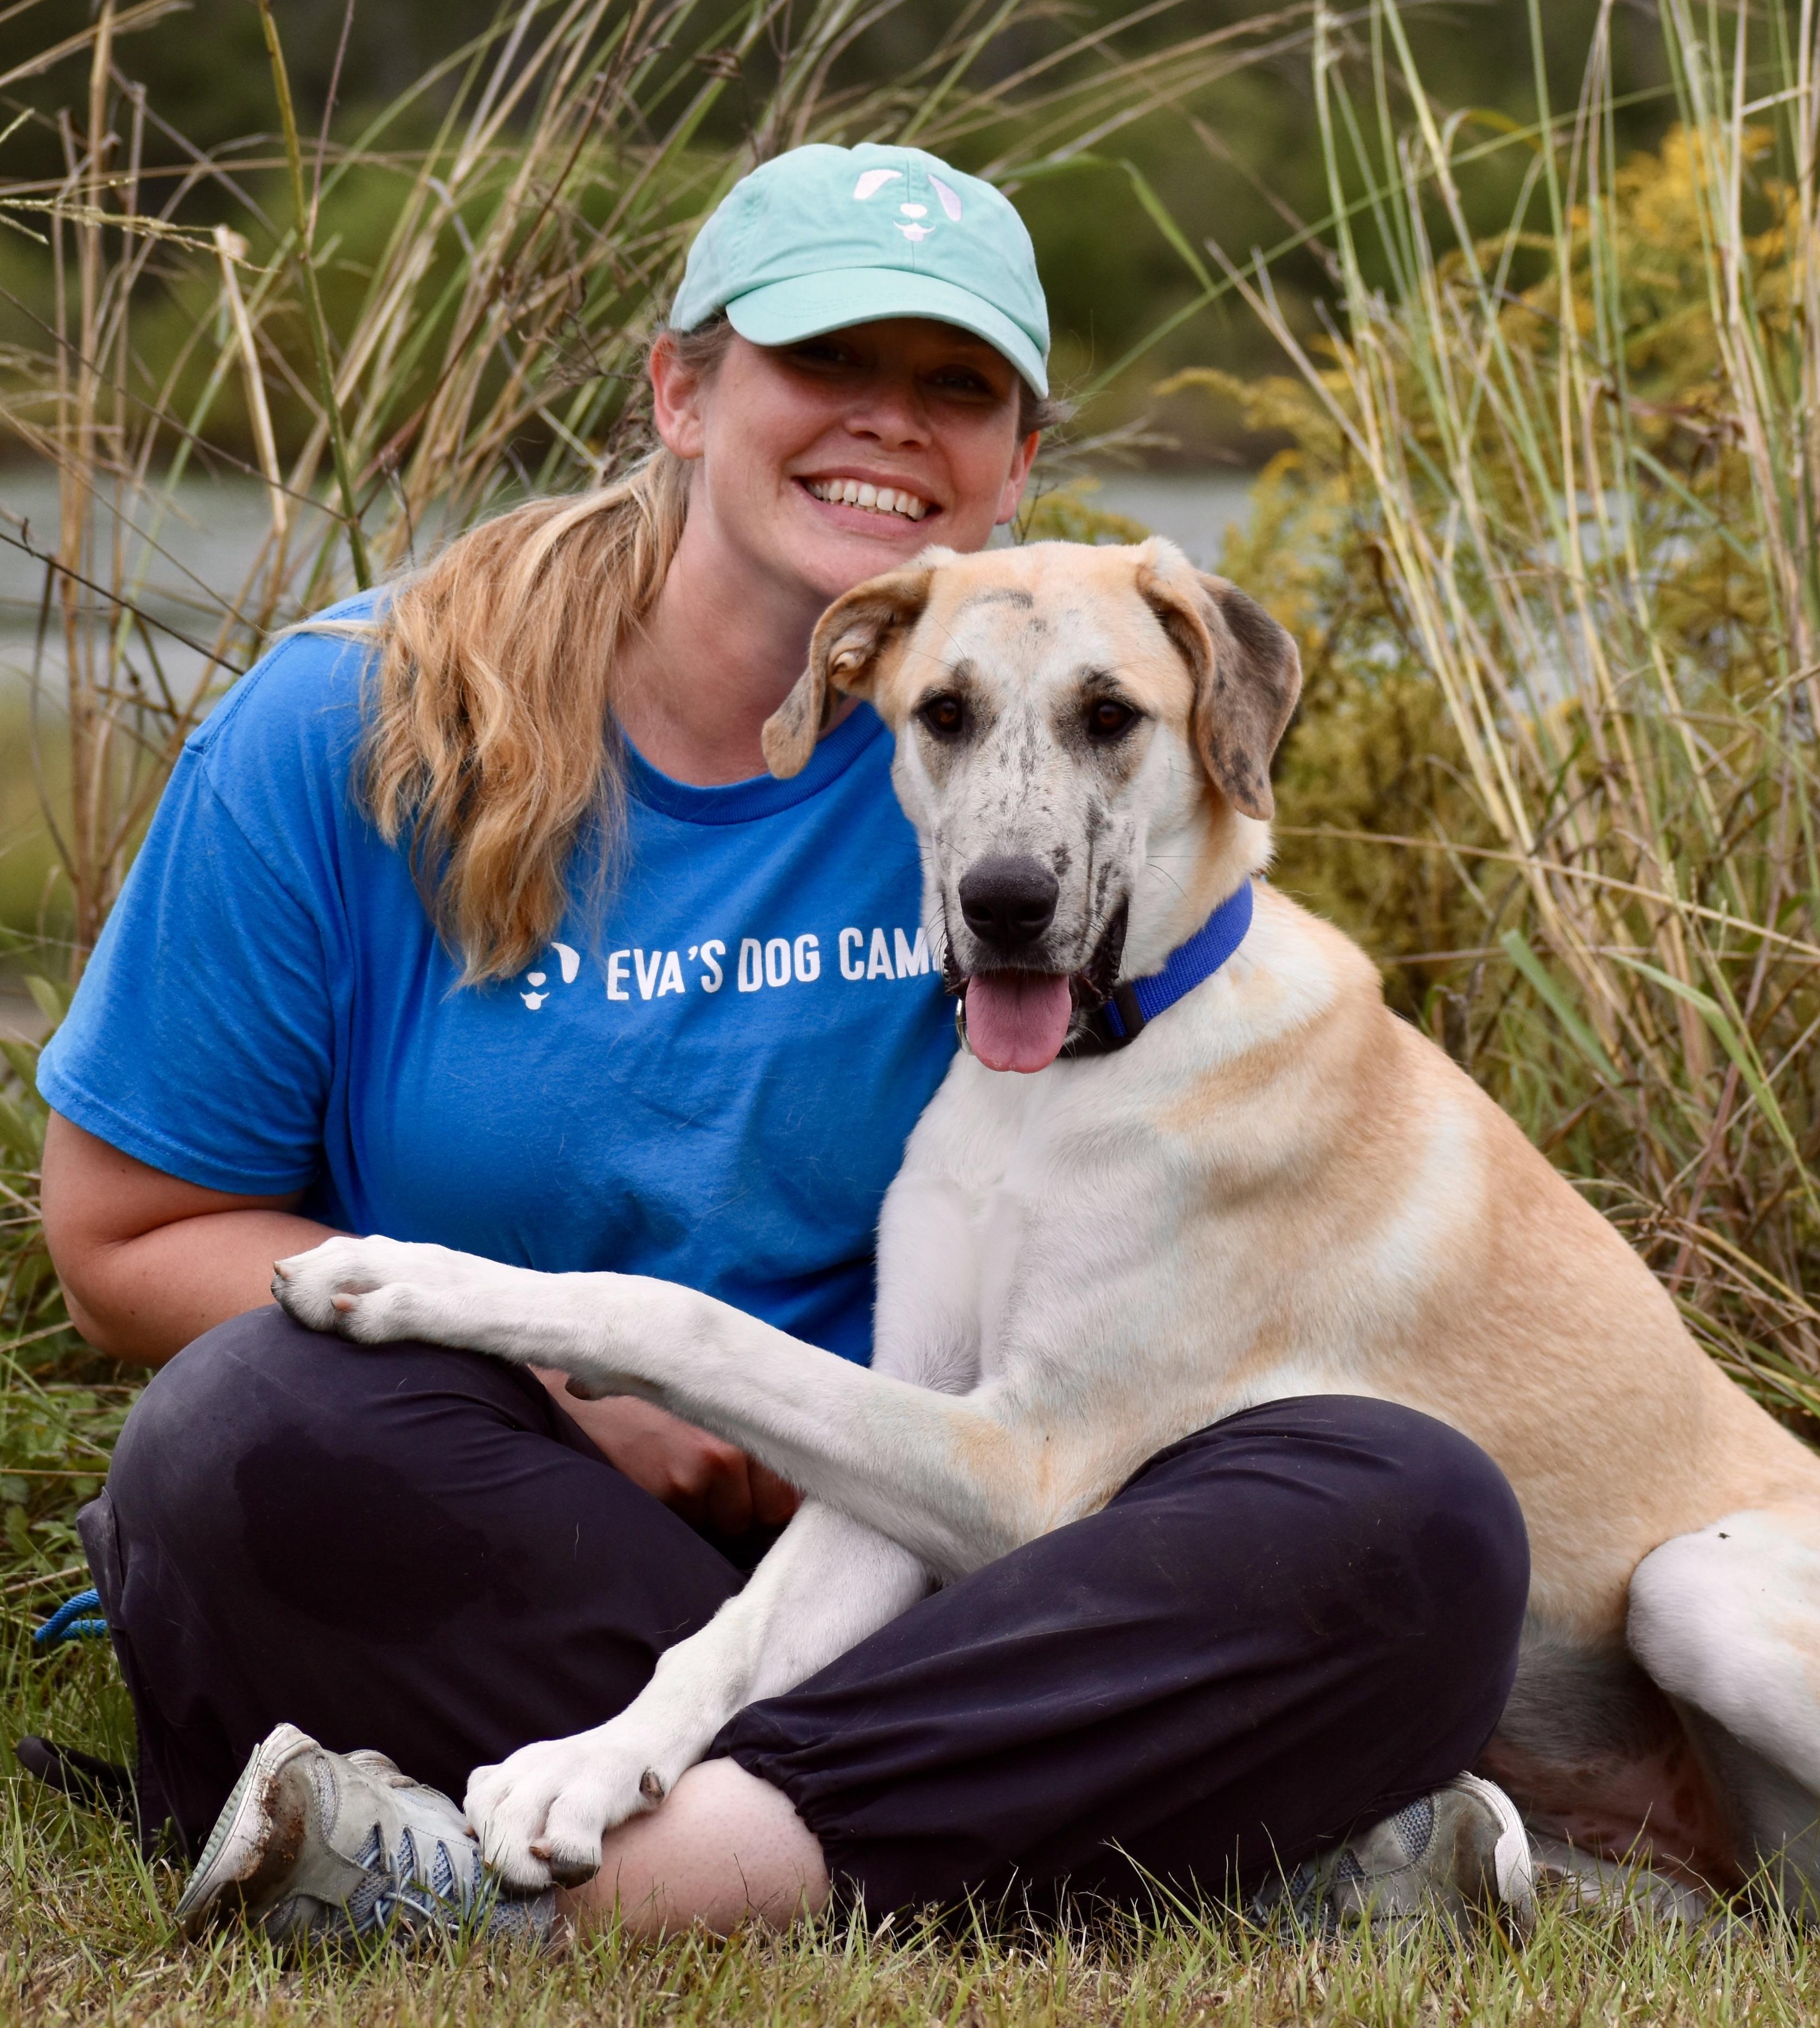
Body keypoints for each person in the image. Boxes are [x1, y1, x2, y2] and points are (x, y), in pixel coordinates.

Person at [35, 141, 1531, 1947]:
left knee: (1413, 1509)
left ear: (1016, 462)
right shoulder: (346, 726)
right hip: (534, 1512)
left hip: (929, 1549)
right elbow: (123, 1238)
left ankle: (604, 1877)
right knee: (236, 1437)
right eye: (827, 365)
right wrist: (578, 1387)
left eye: (955, 388)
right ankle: (1137, 1837)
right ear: (682, 390)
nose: (888, 424)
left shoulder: (1026, 743)